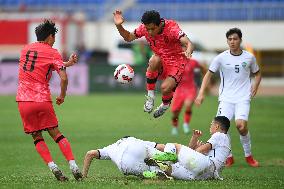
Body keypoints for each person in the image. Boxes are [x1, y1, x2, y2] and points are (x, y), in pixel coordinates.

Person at [16, 20, 83, 181]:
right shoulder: (52, 52)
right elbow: (64, 78)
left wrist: (68, 63)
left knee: (37, 136)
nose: (54, 40)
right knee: (56, 134)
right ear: (49, 36)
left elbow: (42, 64)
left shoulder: (25, 49)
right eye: (54, 37)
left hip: (23, 100)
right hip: (42, 99)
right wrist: (62, 95)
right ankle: (73, 165)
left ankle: (53, 166)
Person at [195, 28, 262, 167]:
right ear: (227, 41)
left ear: (240, 40)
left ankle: (248, 156)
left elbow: (258, 73)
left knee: (241, 126)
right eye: (230, 39)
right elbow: (208, 74)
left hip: (243, 98)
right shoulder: (221, 57)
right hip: (226, 99)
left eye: (235, 39)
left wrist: (255, 85)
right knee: (221, 129)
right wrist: (201, 93)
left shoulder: (249, 57)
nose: (232, 42)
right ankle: (229, 157)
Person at [113, 10, 194, 118]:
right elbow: (128, 37)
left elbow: (188, 43)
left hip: (176, 62)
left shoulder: (171, 28)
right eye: (147, 29)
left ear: (159, 24)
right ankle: (150, 96)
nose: (150, 32)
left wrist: (188, 49)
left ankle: (165, 105)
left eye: (152, 29)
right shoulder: (144, 28)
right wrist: (119, 26)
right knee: (153, 60)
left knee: (165, 88)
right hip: (160, 59)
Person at [143, 116, 231, 180]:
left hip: (206, 164)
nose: (210, 126)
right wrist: (194, 138)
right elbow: (191, 151)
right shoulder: (223, 143)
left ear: (216, 127)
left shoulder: (219, 135)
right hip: (206, 175)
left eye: (211, 124)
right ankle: (161, 173)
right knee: (172, 169)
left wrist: (195, 153)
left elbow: (199, 150)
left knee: (174, 146)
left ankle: (168, 156)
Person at [82, 136, 172, 179]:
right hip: (138, 148)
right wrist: (174, 150)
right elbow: (161, 146)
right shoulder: (133, 139)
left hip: (124, 164)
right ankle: (162, 164)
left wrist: (84, 176)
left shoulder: (110, 148)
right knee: (150, 152)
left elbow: (90, 154)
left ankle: (151, 173)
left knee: (146, 171)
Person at [170, 58, 207, 135]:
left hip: (190, 88)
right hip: (179, 89)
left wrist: (205, 78)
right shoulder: (174, 61)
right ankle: (175, 127)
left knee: (188, 104)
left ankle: (186, 124)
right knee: (175, 112)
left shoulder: (193, 62)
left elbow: (203, 68)